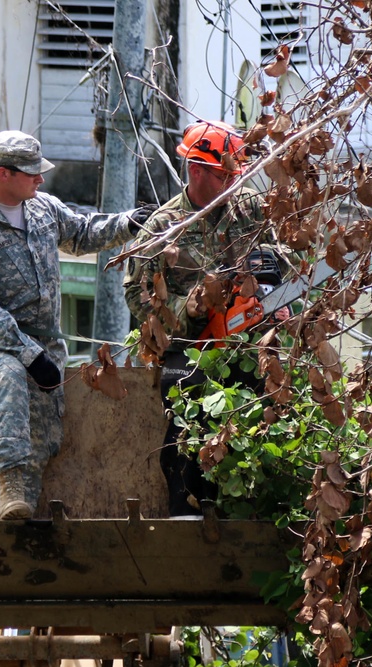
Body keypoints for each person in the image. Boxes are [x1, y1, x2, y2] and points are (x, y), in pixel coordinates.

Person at [0, 130, 153, 521]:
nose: (40, 179)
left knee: (41, 448)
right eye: (31, 173)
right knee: (7, 375)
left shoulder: (43, 208)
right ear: (3, 174)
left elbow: (82, 234)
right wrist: (27, 353)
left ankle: (15, 527)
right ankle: (8, 490)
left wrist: (129, 223)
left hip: (45, 356)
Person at [123, 120, 290, 516]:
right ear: (196, 170)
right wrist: (190, 309)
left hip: (246, 338)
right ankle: (186, 508)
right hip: (189, 344)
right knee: (188, 398)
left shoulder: (249, 208)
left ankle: (259, 508)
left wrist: (272, 265)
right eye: (223, 175)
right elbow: (136, 294)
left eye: (236, 173)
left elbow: (290, 249)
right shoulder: (164, 226)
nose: (233, 181)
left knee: (267, 391)